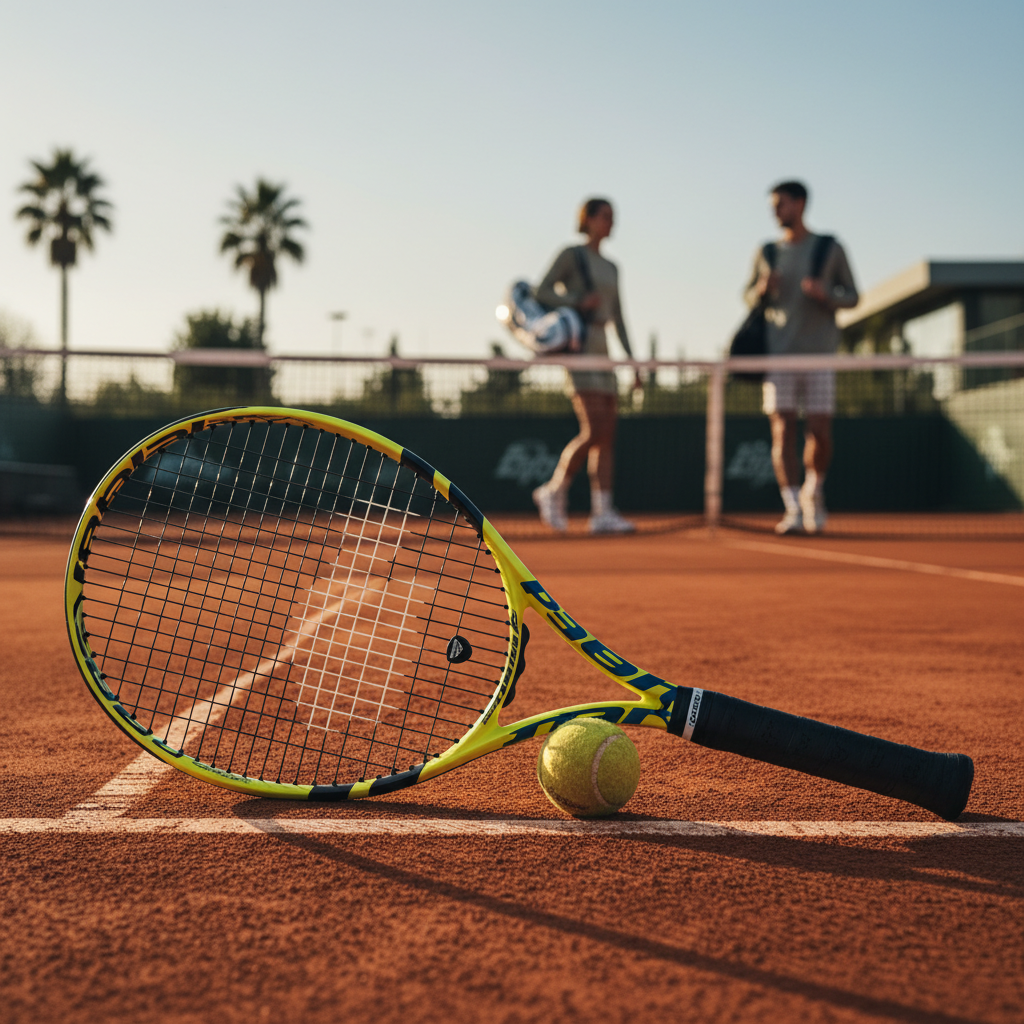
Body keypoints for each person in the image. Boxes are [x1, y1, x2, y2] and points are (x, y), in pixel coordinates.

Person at [744, 180, 859, 534]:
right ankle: (792, 506)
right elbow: (747, 296)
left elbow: (853, 296)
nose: (776, 212)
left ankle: (814, 491)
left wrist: (826, 294)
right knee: (782, 432)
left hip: (820, 356)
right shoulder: (766, 251)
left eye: (781, 204)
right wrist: (760, 291)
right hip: (778, 357)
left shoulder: (830, 247)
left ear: (801, 203)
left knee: (820, 433)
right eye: (773, 206)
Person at [531, 198, 638, 534]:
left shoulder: (613, 266)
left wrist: (633, 361)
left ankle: (602, 511)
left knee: (607, 436)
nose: (611, 223)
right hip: (579, 347)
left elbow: (619, 316)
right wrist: (576, 301)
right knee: (593, 429)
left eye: (613, 217)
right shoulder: (570, 255)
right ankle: (553, 489)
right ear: (588, 220)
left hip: (604, 350)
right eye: (606, 216)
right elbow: (542, 292)